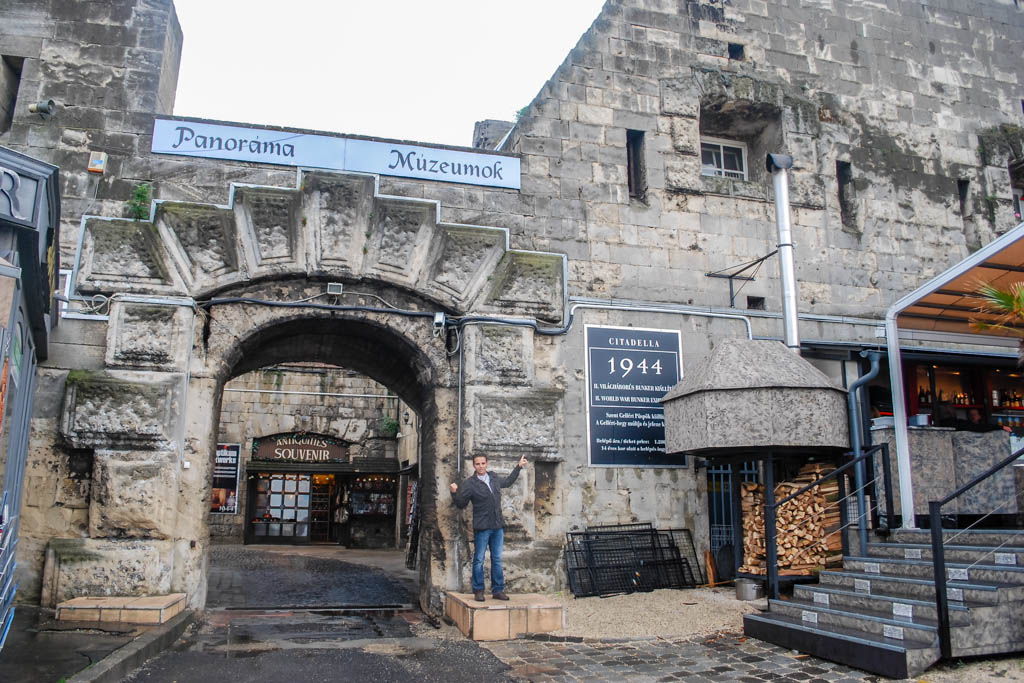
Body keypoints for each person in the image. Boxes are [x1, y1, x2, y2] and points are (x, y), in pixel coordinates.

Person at [450, 454, 528, 602]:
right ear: (474, 466)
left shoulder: (493, 477)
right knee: (478, 559)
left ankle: (498, 590)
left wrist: (518, 467)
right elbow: (461, 503)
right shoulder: (470, 484)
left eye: (483, 463)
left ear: (487, 464)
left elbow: (508, 482)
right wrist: (454, 493)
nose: (480, 466)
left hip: (497, 526)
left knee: (497, 559)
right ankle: (478, 590)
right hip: (482, 527)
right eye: (477, 464)